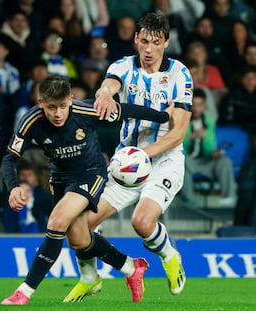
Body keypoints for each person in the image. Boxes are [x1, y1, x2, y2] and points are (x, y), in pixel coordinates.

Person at [0, 74, 173, 305]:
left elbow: (127, 110)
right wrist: (13, 187)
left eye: (63, 106)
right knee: (79, 241)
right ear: (41, 103)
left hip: (91, 173)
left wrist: (164, 116)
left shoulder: (88, 111)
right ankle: (131, 266)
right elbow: (9, 158)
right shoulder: (30, 121)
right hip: (60, 179)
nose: (58, 114)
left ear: (71, 99)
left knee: (56, 222)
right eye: (52, 108)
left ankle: (25, 291)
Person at [64, 12, 192, 301]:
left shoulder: (179, 74)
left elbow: (178, 133)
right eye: (144, 41)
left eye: (155, 43)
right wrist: (105, 95)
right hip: (128, 163)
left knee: (142, 223)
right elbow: (109, 85)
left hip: (164, 160)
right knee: (79, 225)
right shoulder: (123, 66)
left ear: (166, 43)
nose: (148, 49)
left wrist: (141, 155)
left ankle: (170, 256)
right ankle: (90, 278)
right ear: (136, 39)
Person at [180, 88, 237, 207]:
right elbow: (177, 145)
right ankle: (189, 200)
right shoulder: (182, 119)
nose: (196, 108)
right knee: (183, 162)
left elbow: (210, 146)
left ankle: (228, 197)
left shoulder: (209, 122)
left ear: (204, 106)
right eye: (193, 105)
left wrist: (214, 153)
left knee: (225, 161)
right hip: (188, 159)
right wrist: (191, 136)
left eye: (199, 105)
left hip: (205, 160)